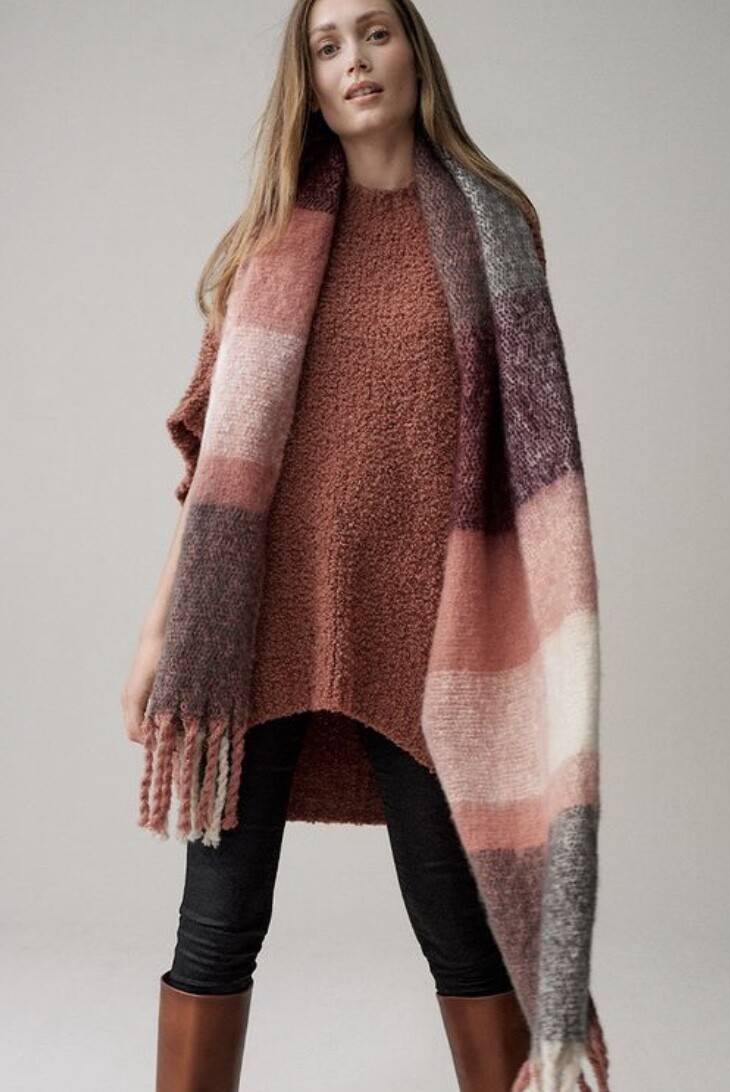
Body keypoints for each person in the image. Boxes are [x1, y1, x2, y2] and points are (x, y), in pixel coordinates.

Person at [121, 1, 608, 1090]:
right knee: (215, 929)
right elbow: (210, 472)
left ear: (412, 50)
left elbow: (535, 452)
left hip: (427, 635)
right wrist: (158, 636)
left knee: (465, 931)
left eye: (375, 32)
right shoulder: (268, 239)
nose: (355, 61)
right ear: (308, 81)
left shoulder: (494, 228)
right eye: (327, 45)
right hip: (256, 629)